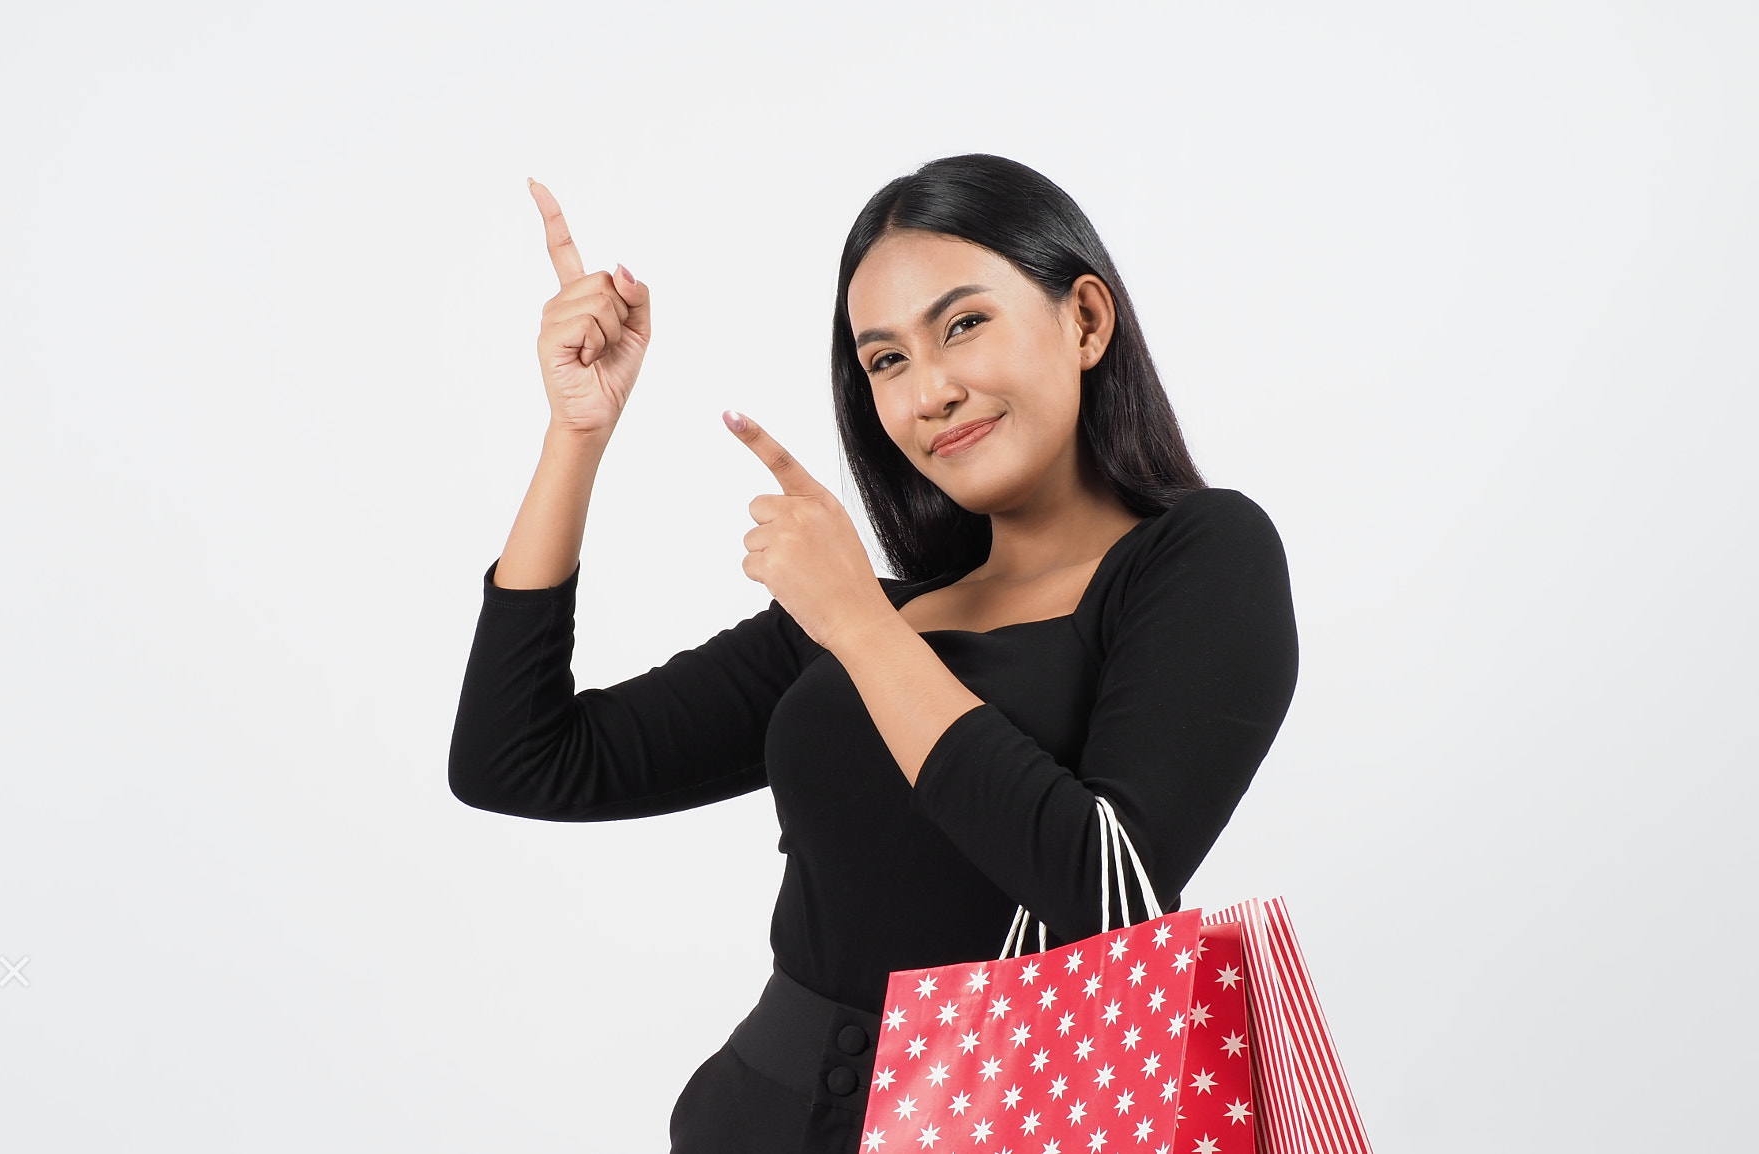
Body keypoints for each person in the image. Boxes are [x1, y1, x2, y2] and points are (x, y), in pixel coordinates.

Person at [447, 154, 1299, 1154]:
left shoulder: (1197, 556)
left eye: (962, 324)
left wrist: (856, 622)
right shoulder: (876, 604)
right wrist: (574, 435)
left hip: (1026, 1119)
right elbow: (519, 759)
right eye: (885, 360)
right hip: (755, 1116)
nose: (927, 391)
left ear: (1084, 321)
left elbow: (1110, 892)